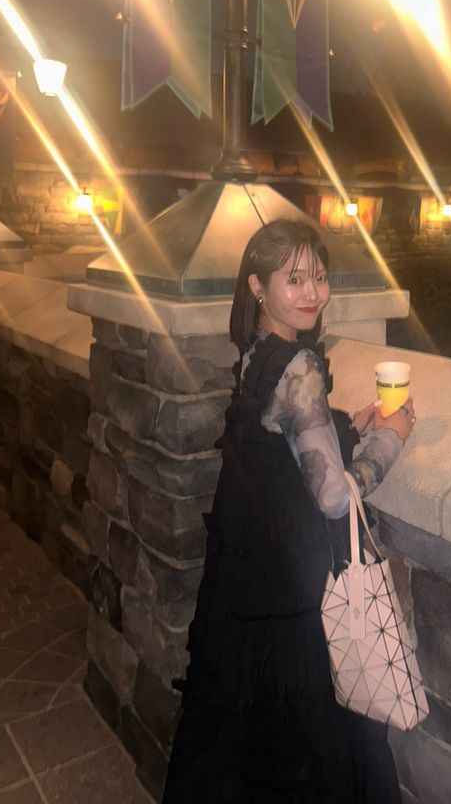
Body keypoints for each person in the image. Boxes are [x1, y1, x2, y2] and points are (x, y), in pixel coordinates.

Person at [163, 219, 415, 803]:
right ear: (258, 287)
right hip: (291, 602)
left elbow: (279, 435)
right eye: (294, 279)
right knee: (311, 755)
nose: (312, 292)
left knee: (242, 748)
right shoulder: (299, 365)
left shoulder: (255, 353)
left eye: (319, 277)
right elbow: (332, 496)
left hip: (246, 590)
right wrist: (390, 439)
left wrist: (342, 424)